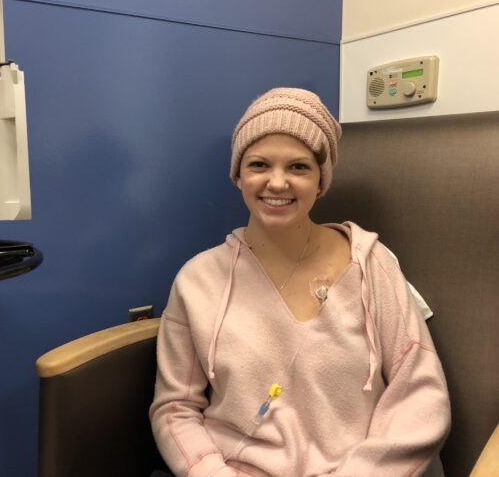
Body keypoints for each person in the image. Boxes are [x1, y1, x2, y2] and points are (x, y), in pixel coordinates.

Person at [149, 88, 451, 477]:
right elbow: (175, 408)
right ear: (237, 175)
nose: (277, 183)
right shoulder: (197, 281)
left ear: (321, 181)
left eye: (299, 167)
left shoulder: (372, 264)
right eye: (259, 164)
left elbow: (420, 395)